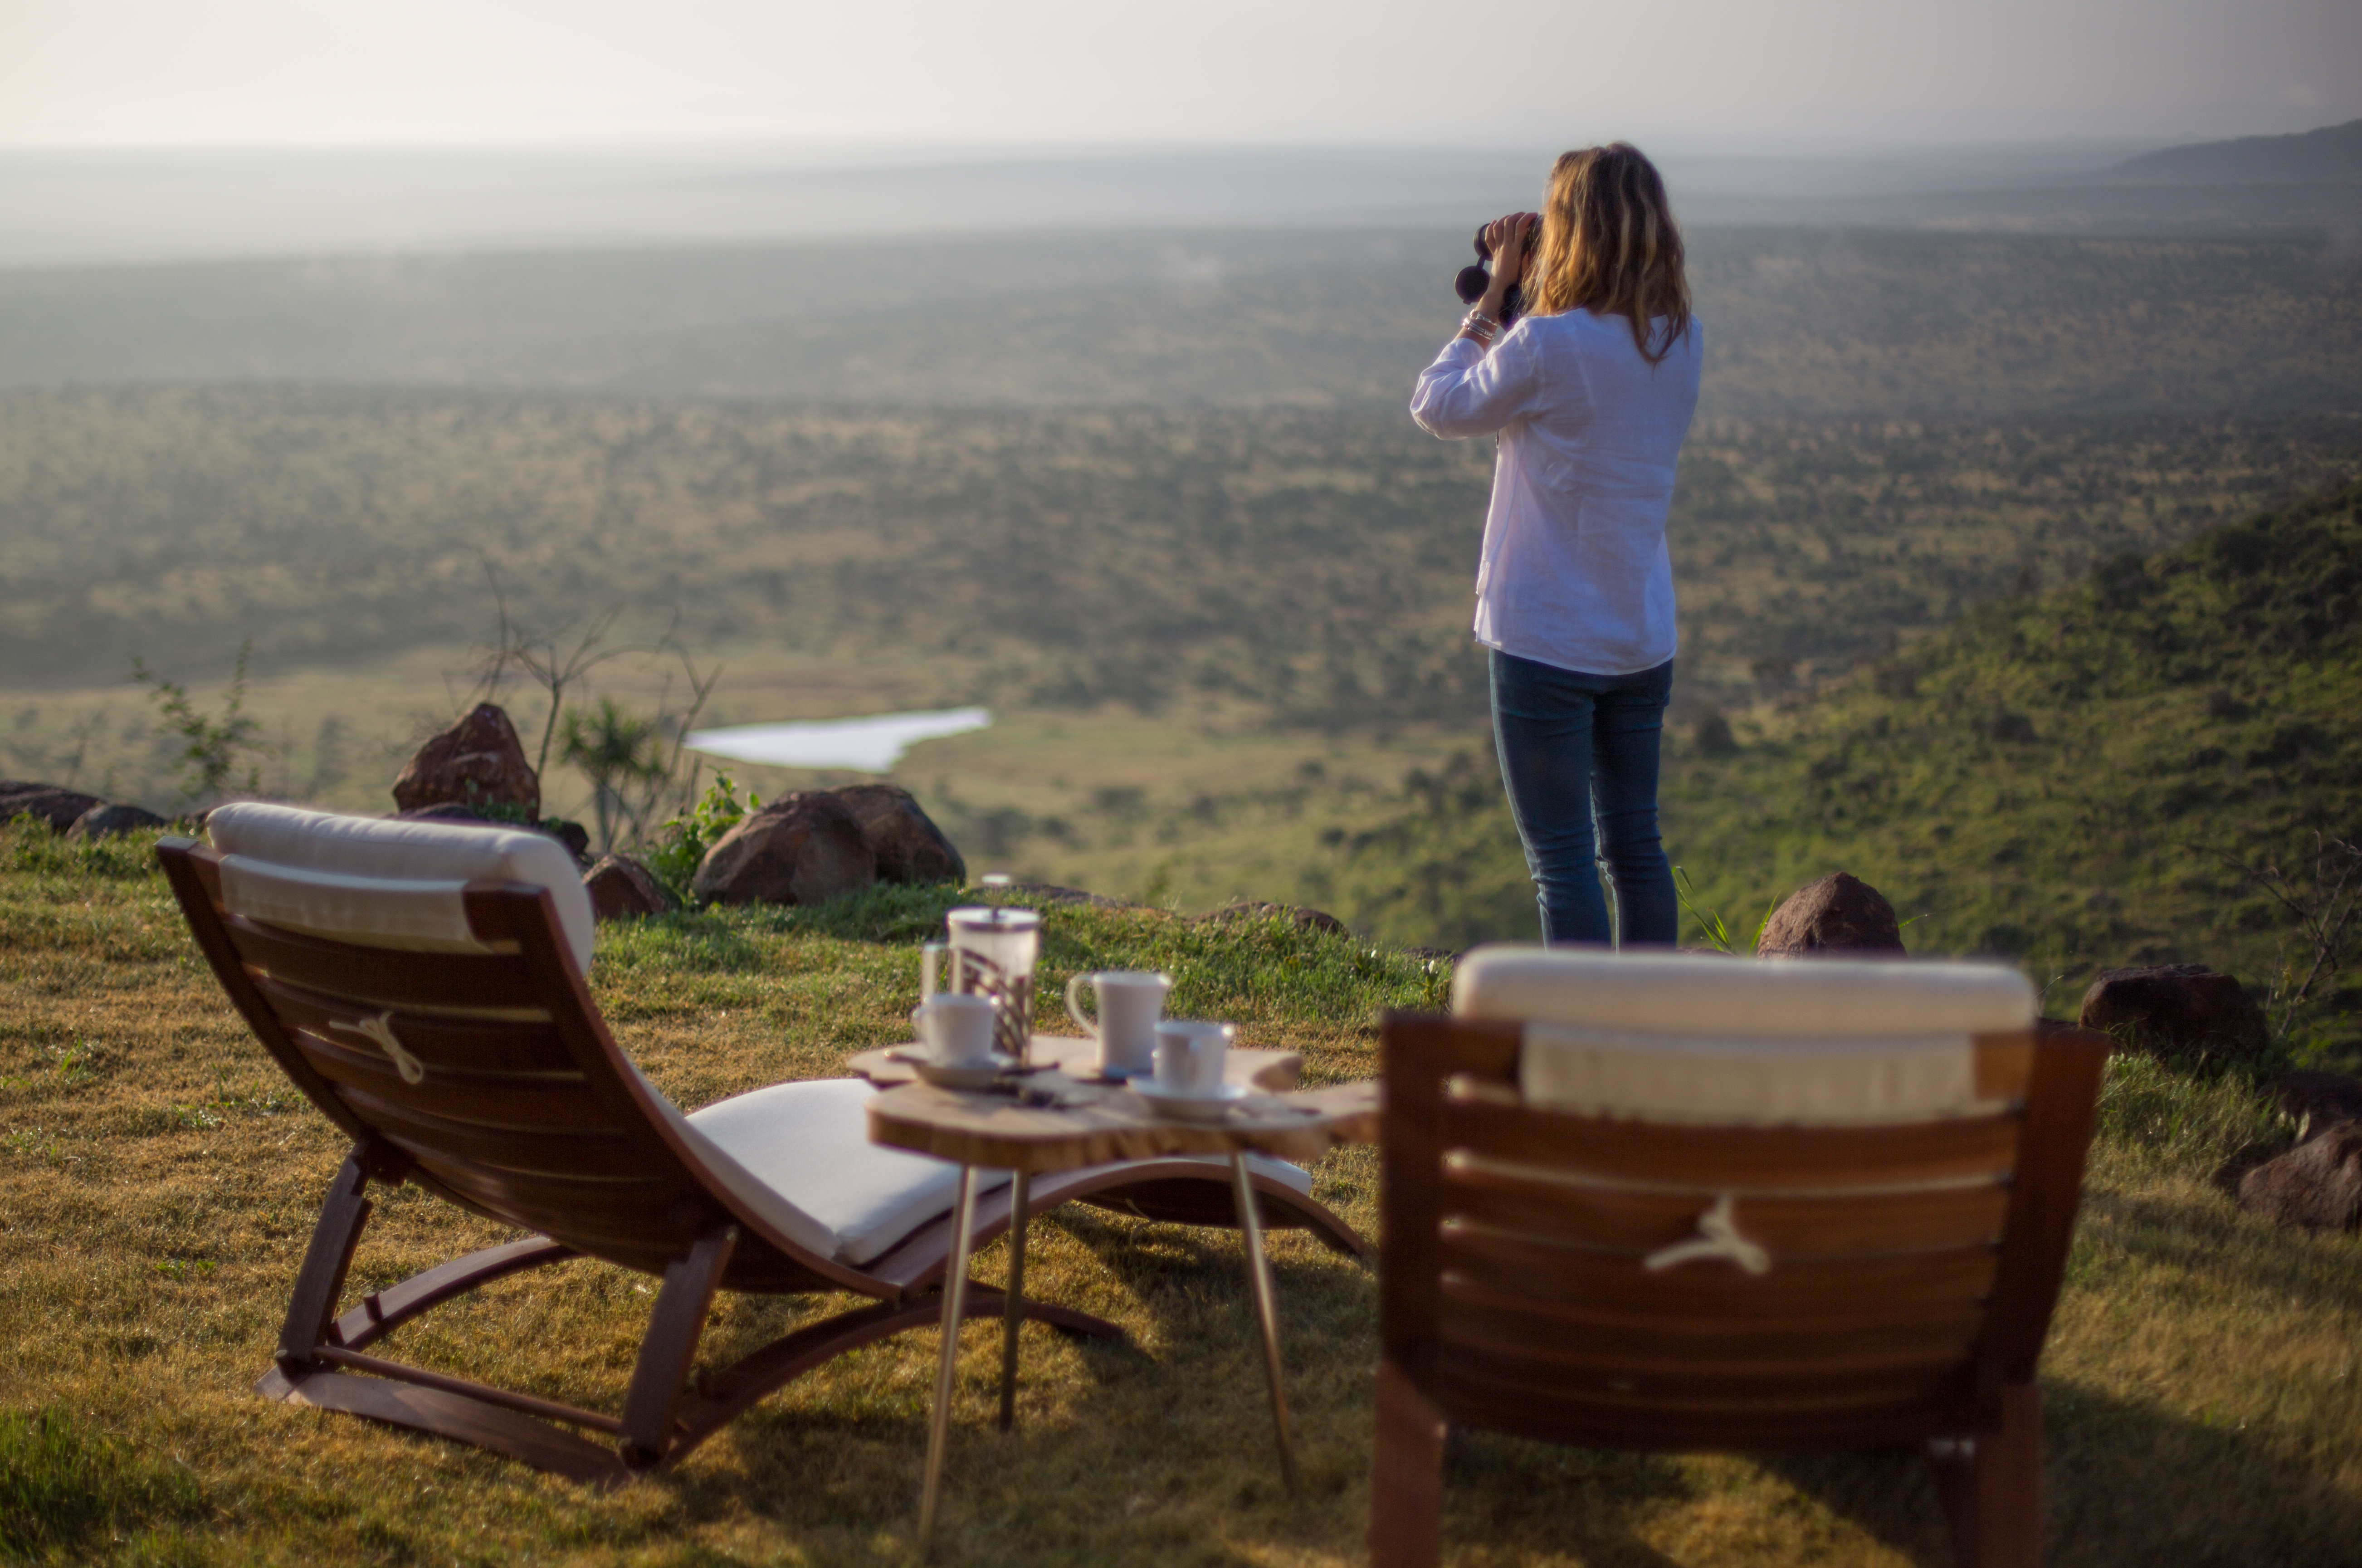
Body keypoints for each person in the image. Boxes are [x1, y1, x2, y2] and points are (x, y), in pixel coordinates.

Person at [1409, 143, 1702, 947]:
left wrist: (1497, 290)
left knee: (1563, 860)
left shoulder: (1545, 344)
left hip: (1545, 635)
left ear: (1570, 228)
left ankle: (1578, 1035)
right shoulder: (1679, 340)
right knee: (1636, 848)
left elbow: (1438, 405)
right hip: (1639, 633)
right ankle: (1646, 1037)